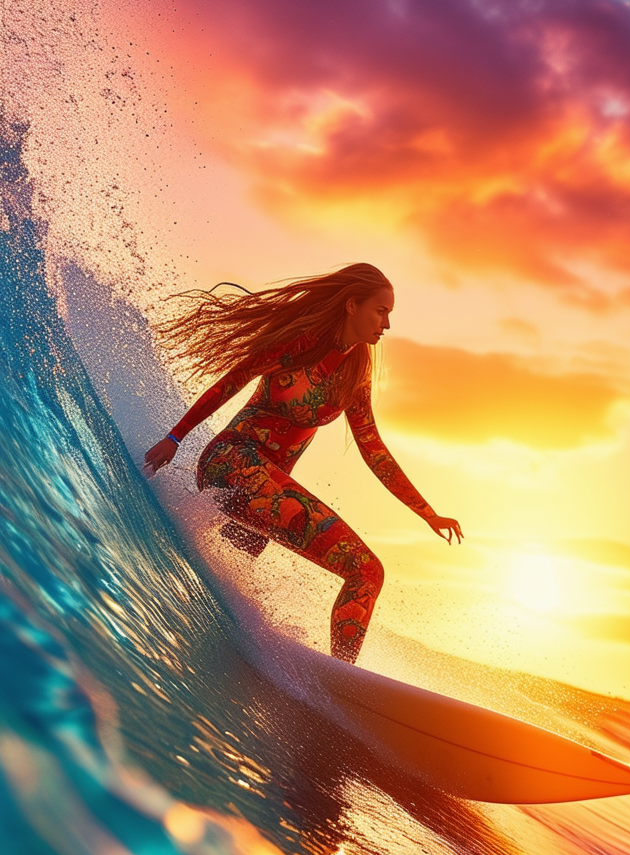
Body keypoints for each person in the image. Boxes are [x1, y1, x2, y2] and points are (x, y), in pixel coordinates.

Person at [144, 263, 463, 663]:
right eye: (381, 311)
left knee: (362, 572)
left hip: (266, 493)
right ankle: (342, 677)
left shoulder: (355, 374)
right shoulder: (298, 343)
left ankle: (333, 678)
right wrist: (175, 437)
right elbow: (234, 379)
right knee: (361, 566)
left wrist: (427, 513)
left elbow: (373, 449)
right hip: (231, 460)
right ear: (352, 305)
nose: (387, 323)